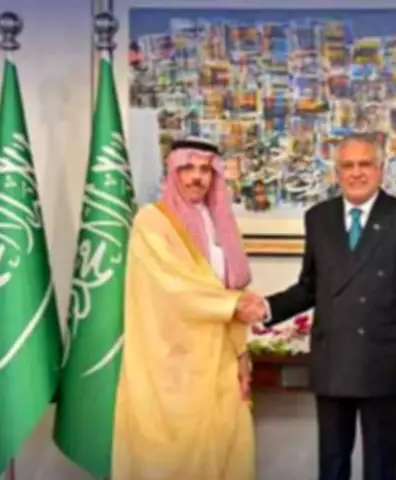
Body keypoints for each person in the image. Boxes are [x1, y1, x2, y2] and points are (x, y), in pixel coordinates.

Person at [248, 133, 396, 480]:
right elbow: (310, 287)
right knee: (332, 462)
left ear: (380, 169)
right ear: (337, 172)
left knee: (380, 464)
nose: (356, 173)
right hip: (333, 358)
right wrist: (267, 308)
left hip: (384, 362)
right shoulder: (318, 218)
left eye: (365, 164)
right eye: (347, 166)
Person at [111, 137, 264, 480]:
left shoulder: (220, 222)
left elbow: (232, 287)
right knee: (173, 458)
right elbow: (174, 289)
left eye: (205, 170)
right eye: (188, 168)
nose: (197, 177)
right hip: (171, 361)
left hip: (220, 356)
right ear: (172, 172)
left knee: (224, 449)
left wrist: (242, 354)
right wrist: (234, 304)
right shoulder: (152, 222)